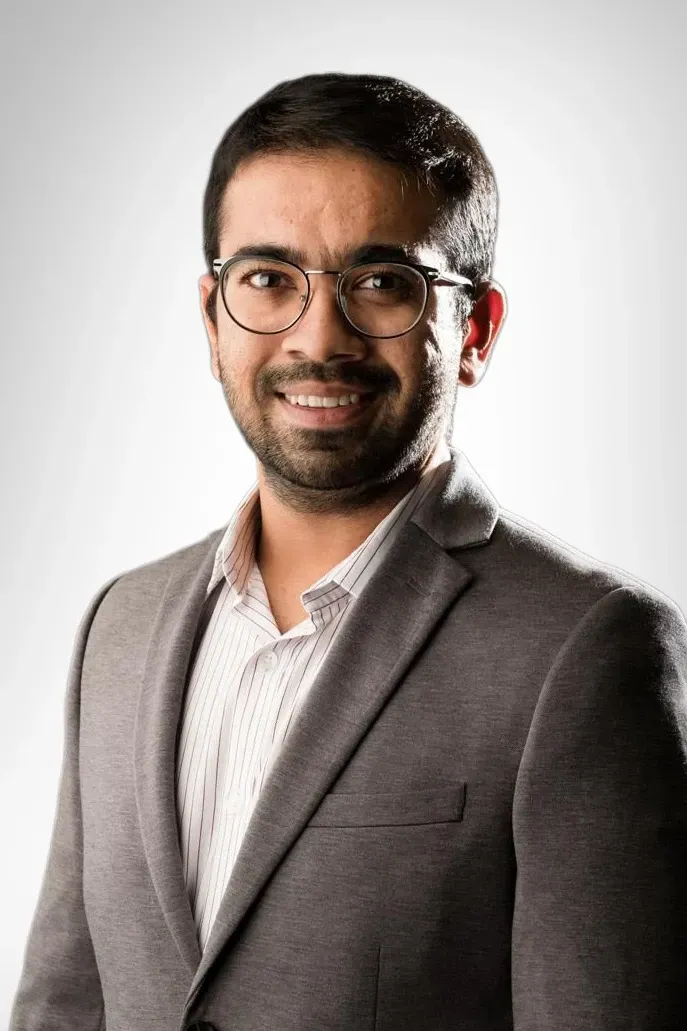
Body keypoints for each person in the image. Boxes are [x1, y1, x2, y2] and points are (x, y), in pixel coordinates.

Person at [10, 72, 687, 1031]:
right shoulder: (119, 625)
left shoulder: (583, 649)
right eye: (268, 278)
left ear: (475, 330)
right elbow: (62, 1005)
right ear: (212, 317)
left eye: (381, 283)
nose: (317, 337)